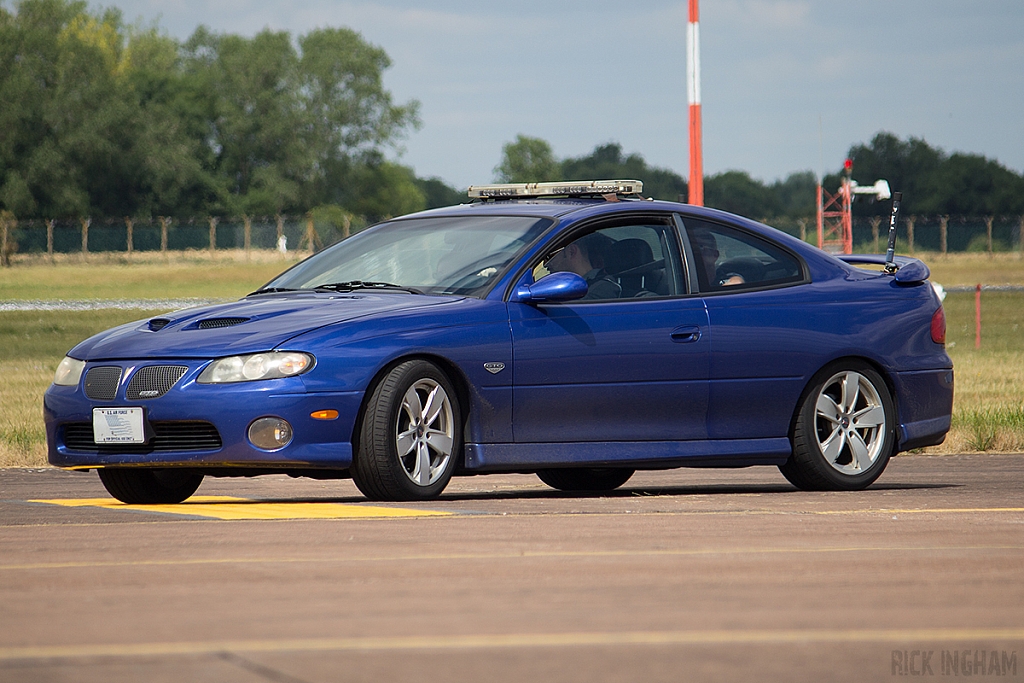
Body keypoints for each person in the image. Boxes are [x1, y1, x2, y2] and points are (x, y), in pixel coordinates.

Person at [544, 233, 621, 300]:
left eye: (549, 256)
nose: (545, 264)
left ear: (571, 252)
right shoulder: (581, 288)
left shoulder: (600, 289)